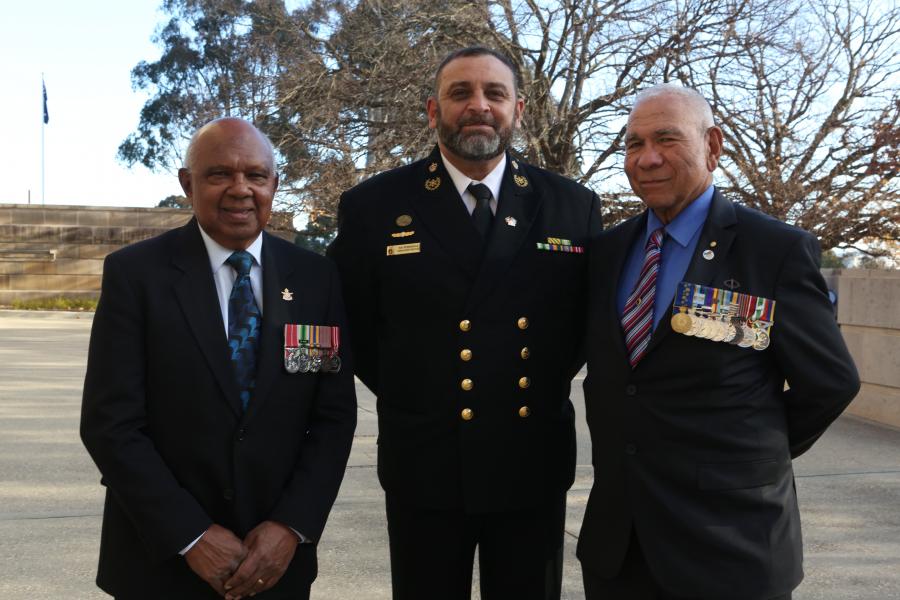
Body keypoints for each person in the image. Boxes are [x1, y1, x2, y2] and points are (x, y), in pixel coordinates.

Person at [327, 46, 602, 599]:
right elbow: (351, 327)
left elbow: (578, 331)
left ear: (518, 110)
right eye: (460, 93)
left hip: (531, 460)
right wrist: (425, 389)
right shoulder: (374, 206)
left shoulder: (571, 206)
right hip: (424, 461)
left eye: (494, 93)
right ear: (433, 111)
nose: (479, 105)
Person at [577, 83, 860, 599]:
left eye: (667, 139)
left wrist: (745, 457)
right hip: (620, 545)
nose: (648, 158)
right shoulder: (606, 252)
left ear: (713, 146)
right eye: (633, 144)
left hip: (731, 543)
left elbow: (832, 382)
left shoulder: (773, 249)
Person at [80, 118, 357, 600]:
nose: (240, 189)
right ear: (187, 184)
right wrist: (190, 535)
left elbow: (332, 418)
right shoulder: (135, 275)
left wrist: (290, 526)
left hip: (275, 563)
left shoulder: (316, 279)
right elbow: (110, 424)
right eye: (218, 175)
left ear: (275, 184)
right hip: (161, 563)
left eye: (255, 175)